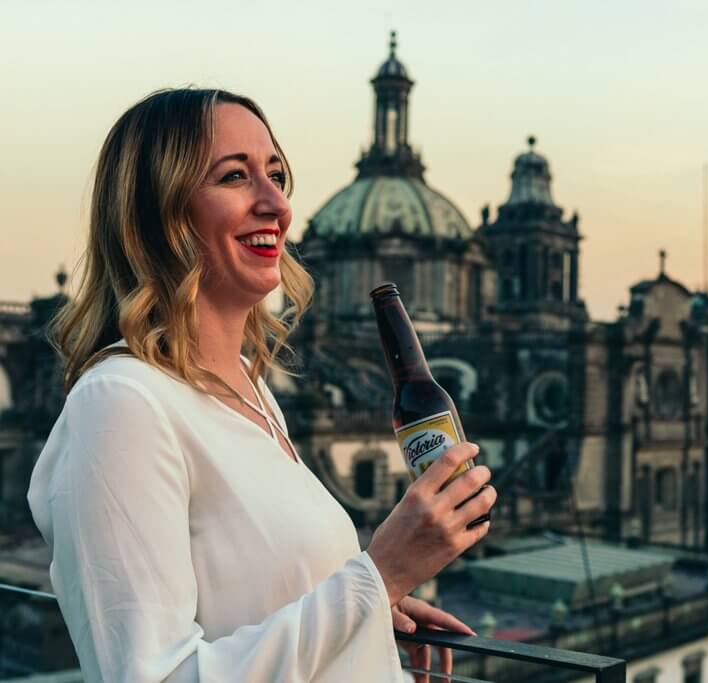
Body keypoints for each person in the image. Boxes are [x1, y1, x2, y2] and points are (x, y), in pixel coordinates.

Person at [26, 88, 497, 682]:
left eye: (276, 173)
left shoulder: (252, 391)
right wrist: (381, 574)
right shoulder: (121, 402)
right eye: (234, 176)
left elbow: (244, 591)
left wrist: (369, 613)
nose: (277, 203)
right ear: (158, 214)